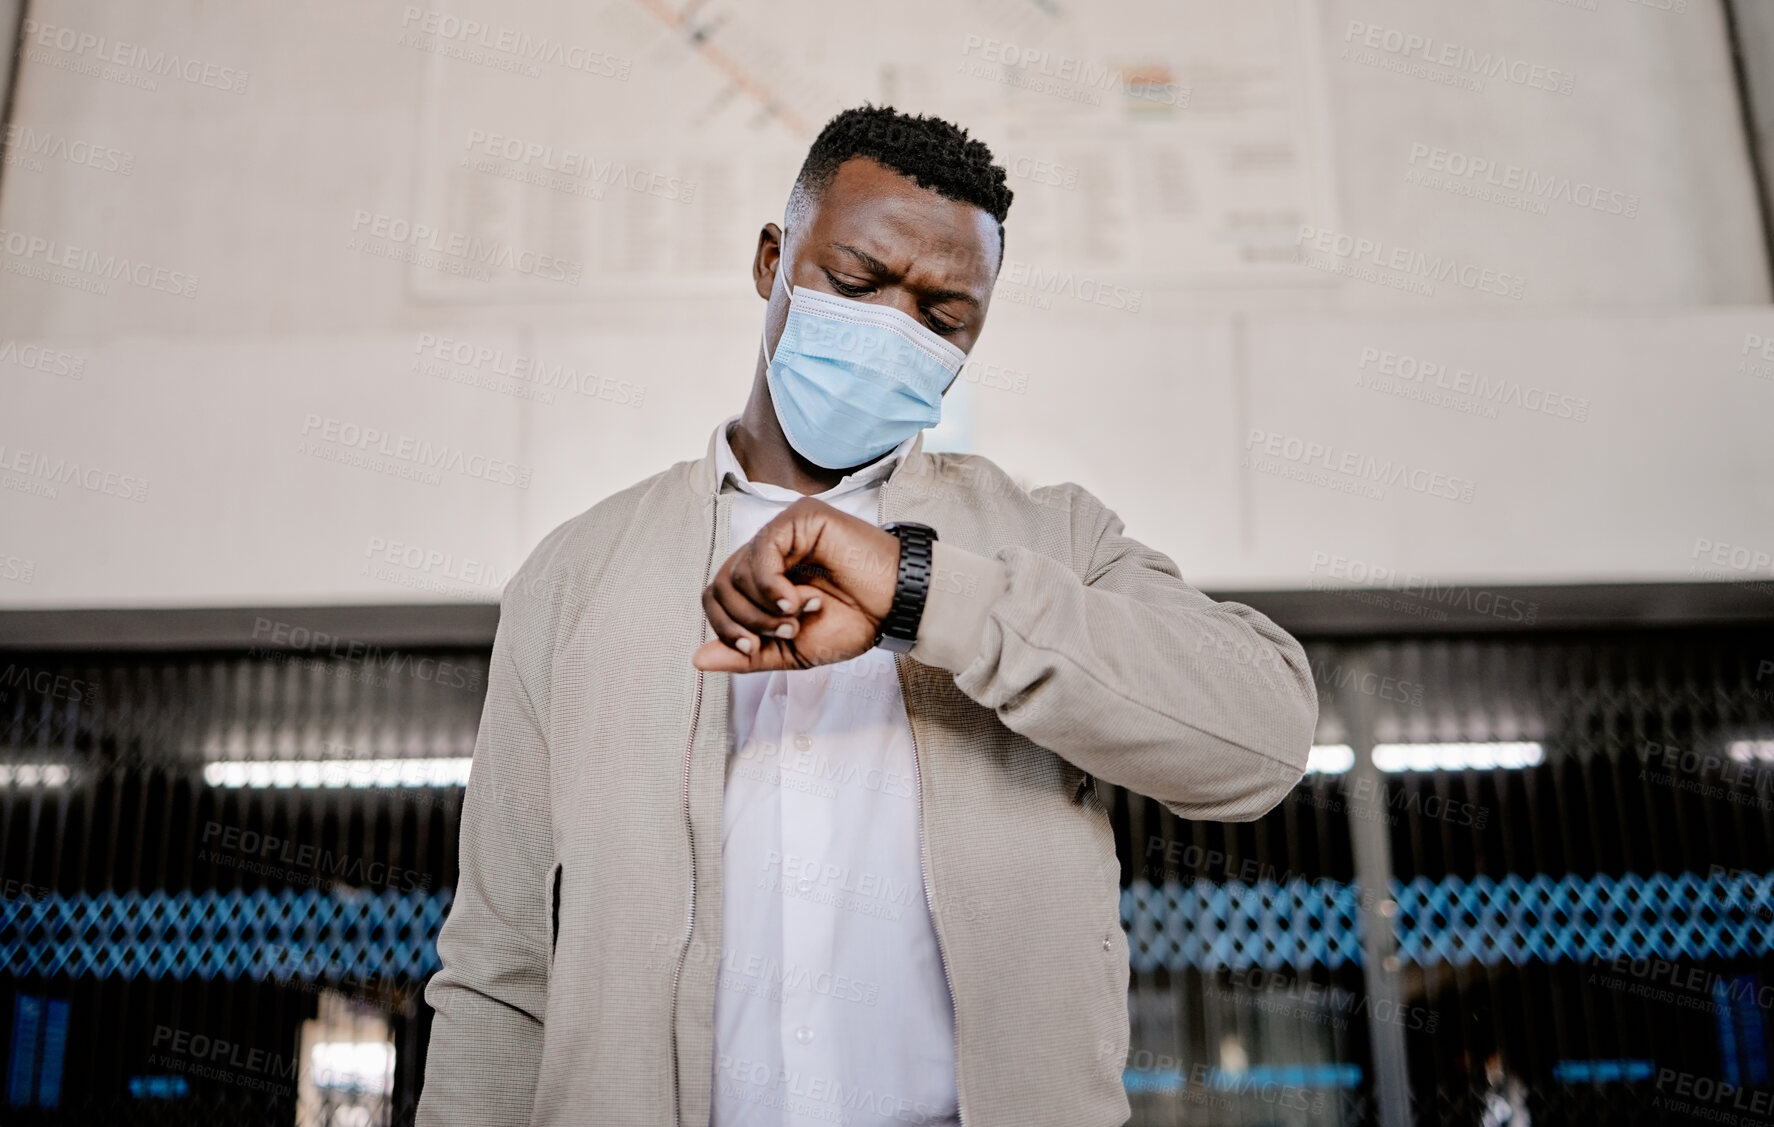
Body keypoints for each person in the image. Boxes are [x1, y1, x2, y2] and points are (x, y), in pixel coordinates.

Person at [417, 104, 1318, 1127]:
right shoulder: (578, 576)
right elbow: (497, 972)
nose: (894, 328)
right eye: (855, 283)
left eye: (942, 317)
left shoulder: (1053, 540)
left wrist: (921, 591)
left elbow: (1263, 734)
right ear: (770, 261)